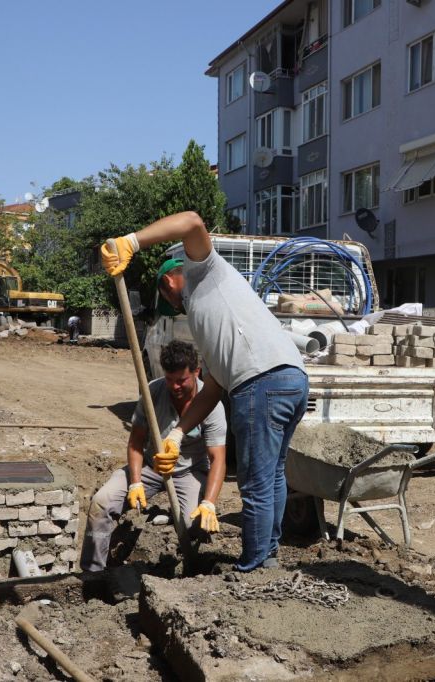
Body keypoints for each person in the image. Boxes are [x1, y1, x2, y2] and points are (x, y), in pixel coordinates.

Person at [100, 212, 308, 572]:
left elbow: (193, 222)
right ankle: (268, 557)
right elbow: (212, 387)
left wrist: (131, 242)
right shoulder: (207, 318)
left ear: (169, 281)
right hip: (291, 378)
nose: (176, 308)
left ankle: (255, 567)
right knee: (272, 476)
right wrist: (177, 435)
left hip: (261, 382)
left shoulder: (204, 271)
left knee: (255, 484)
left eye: (170, 301)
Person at [79, 340, 226, 573]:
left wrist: (209, 503)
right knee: (102, 502)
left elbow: (218, 458)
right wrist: (136, 481)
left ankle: (194, 570)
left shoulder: (210, 406)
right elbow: (136, 442)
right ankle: (93, 571)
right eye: (169, 380)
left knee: (192, 523)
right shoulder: (153, 394)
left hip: (190, 471)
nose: (174, 387)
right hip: (149, 466)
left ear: (196, 372)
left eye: (181, 381)